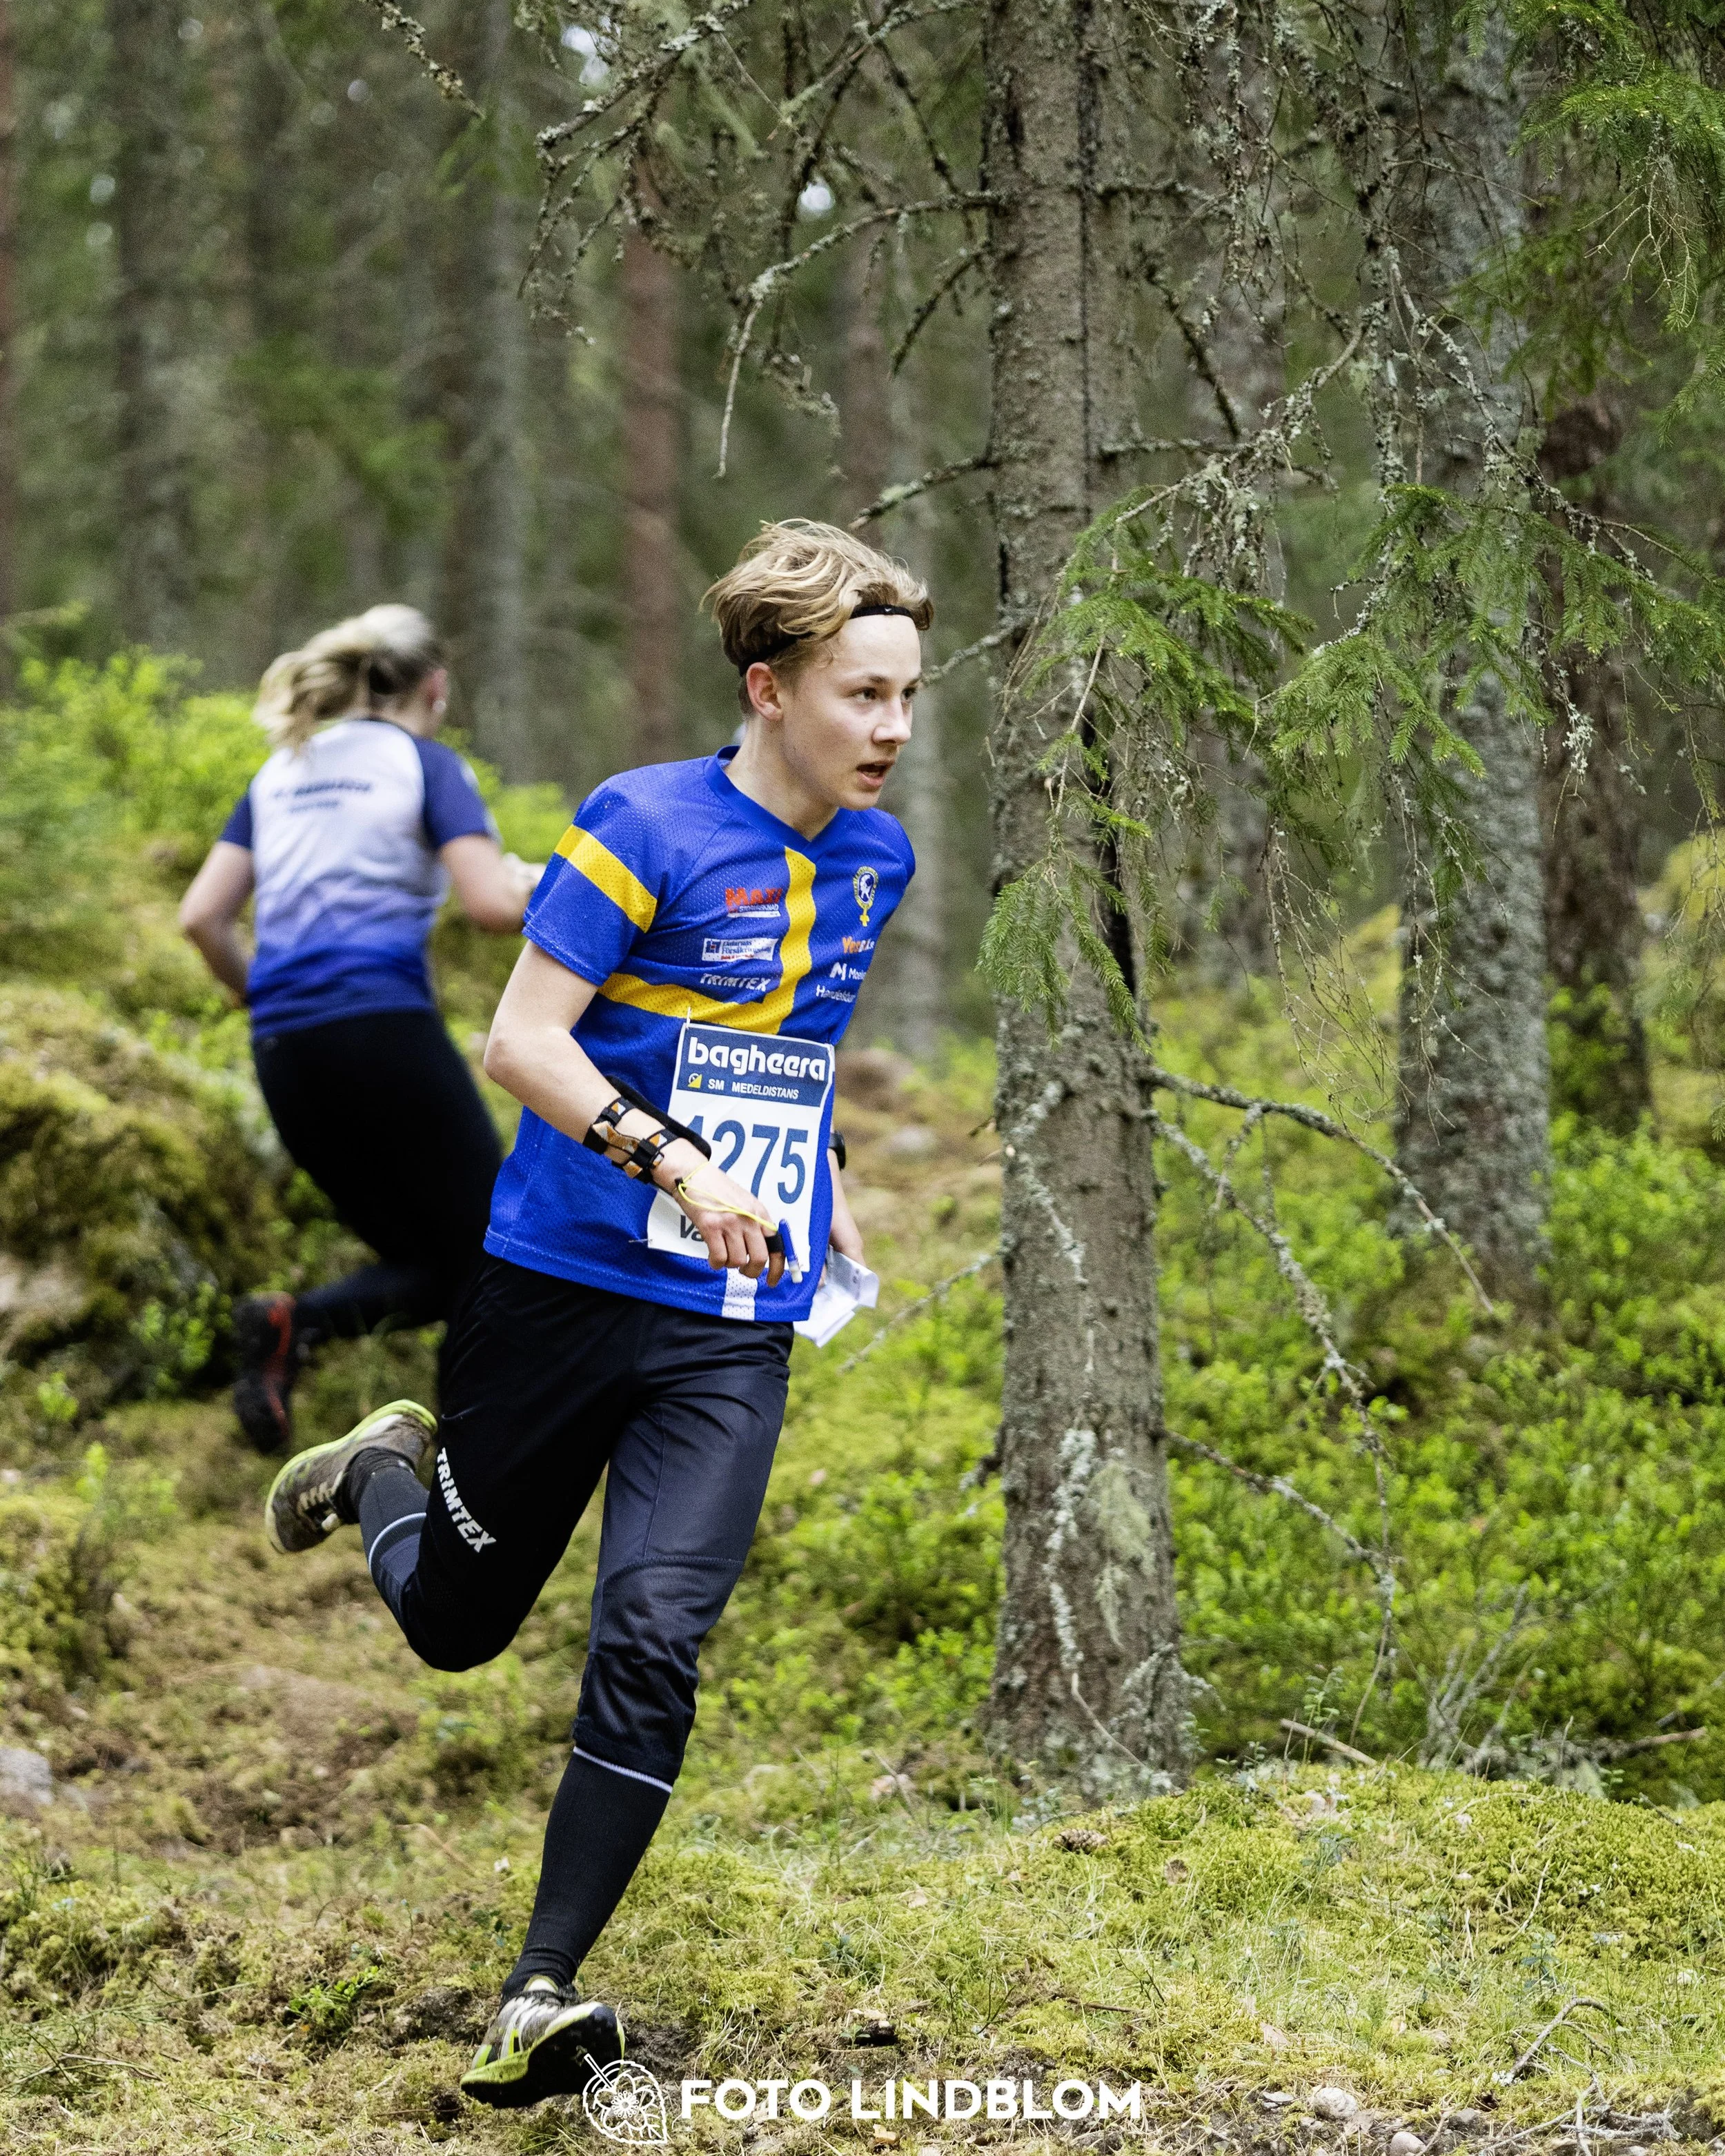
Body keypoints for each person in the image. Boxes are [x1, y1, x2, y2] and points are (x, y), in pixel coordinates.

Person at [259, 520, 931, 2109]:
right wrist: (672, 1160)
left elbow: (788, 1045)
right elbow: (519, 1040)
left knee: (653, 1635)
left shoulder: (877, 861)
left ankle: (535, 1992)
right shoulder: (643, 823)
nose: (892, 730)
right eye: (862, 696)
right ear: (769, 689)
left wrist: (813, 1181)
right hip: (558, 1288)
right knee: (457, 1627)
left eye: (908, 698)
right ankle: (379, 1469)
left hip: (723, 1325)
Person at [179, 604, 537, 1451]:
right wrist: (545, 880)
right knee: (496, 1247)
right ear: (435, 688)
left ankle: (285, 1322)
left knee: (437, 1264)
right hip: (385, 1031)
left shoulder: (281, 769)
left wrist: (261, 998)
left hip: (287, 1052)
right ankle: (472, 1457)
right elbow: (490, 905)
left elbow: (202, 917)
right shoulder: (424, 763)